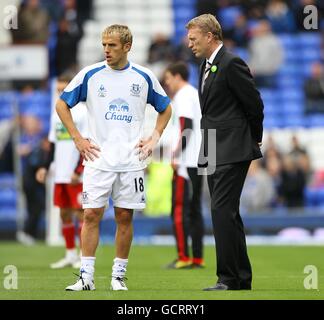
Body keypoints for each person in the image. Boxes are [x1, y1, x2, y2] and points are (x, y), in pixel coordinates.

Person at [56, 24, 172, 291]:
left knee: (124, 217)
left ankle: (118, 277)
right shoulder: (91, 74)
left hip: (131, 161)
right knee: (90, 215)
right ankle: (86, 278)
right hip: (98, 159)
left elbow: (166, 109)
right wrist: (77, 137)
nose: (106, 50)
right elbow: (62, 104)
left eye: (112, 46)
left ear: (127, 47)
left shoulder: (143, 77)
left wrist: (154, 137)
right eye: (104, 45)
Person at [186, 14, 264, 290]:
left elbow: (254, 104)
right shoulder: (204, 66)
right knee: (225, 212)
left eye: (194, 39)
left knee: (222, 210)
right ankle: (240, 278)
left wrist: (253, 139)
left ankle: (228, 278)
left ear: (210, 36)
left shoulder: (231, 63)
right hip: (211, 147)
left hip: (232, 147)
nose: (190, 44)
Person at [35, 74, 87, 268]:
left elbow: (88, 142)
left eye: (63, 90)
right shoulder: (57, 113)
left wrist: (78, 169)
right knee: (64, 213)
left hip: (77, 175)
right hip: (60, 173)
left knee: (81, 213)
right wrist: (44, 166)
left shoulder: (82, 112)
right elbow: (53, 144)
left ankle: (84, 255)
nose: (59, 93)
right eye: (57, 90)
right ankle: (70, 254)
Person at [164, 62, 204, 269]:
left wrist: (176, 156)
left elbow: (185, 128)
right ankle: (197, 257)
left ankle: (183, 256)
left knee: (179, 210)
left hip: (187, 161)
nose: (167, 83)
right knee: (196, 209)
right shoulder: (195, 94)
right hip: (200, 158)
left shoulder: (183, 96)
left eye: (168, 78)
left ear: (178, 76)